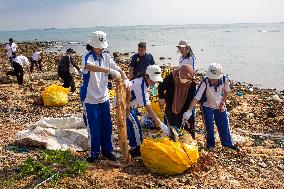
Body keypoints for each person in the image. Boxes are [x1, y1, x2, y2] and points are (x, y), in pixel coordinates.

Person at [80, 31, 128, 162]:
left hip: (103, 96)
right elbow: (89, 66)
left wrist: (126, 79)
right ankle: (94, 154)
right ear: (92, 45)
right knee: (94, 126)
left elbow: (118, 69)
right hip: (89, 98)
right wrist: (108, 71)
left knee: (107, 125)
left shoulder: (106, 57)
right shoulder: (87, 56)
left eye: (102, 46)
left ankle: (107, 150)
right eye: (98, 46)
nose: (101, 48)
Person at [183, 63, 240, 151]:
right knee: (209, 125)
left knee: (224, 123)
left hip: (219, 104)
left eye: (214, 78)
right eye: (210, 77)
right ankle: (210, 144)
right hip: (207, 105)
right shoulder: (205, 82)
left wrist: (222, 102)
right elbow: (197, 97)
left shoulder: (225, 80)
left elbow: (227, 91)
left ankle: (227, 144)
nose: (211, 79)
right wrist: (189, 111)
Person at [125, 65, 168, 157]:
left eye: (156, 80)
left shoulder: (145, 82)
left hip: (130, 104)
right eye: (153, 80)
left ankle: (133, 148)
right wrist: (160, 124)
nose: (154, 82)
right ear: (146, 76)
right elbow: (148, 108)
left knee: (132, 125)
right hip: (124, 105)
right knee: (136, 126)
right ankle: (137, 149)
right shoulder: (140, 84)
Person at [158, 64, 196, 139]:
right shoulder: (172, 77)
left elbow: (191, 98)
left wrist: (188, 111)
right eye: (182, 77)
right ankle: (169, 142)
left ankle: (188, 143)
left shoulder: (192, 83)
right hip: (171, 103)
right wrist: (161, 97)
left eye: (186, 78)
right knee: (170, 124)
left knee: (186, 124)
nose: (183, 79)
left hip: (185, 105)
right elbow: (161, 86)